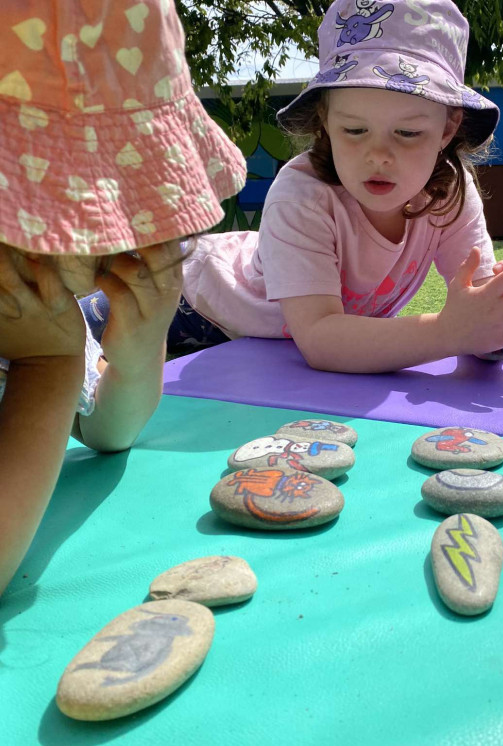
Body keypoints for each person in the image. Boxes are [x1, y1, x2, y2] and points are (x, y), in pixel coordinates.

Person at [165, 0, 503, 373]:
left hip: (268, 344)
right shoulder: (302, 194)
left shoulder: (450, 196)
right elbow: (321, 339)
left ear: (448, 127)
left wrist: (501, 323)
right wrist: (449, 332)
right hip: (191, 303)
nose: (378, 155)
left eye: (407, 132)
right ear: (324, 121)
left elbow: (477, 304)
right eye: (354, 129)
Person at [0, 0, 246, 596]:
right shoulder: (34, 330)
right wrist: (48, 365)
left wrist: (137, 346)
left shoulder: (32, 307)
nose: (107, 230)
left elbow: (106, 431)